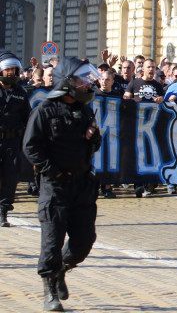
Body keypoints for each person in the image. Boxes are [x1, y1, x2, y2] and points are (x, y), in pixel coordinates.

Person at [23, 57, 102, 311]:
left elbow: (93, 145)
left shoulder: (84, 109)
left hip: (82, 185)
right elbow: (31, 148)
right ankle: (49, 290)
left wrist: (93, 137)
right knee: (52, 241)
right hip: (55, 186)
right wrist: (53, 172)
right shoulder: (44, 110)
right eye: (81, 80)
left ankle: (61, 270)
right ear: (67, 83)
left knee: (84, 240)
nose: (86, 85)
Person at [0, 51, 32, 226]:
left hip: (12, 141)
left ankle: (3, 211)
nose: (11, 72)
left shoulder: (20, 92)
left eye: (13, 69)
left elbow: (27, 117)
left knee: (11, 175)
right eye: (7, 69)